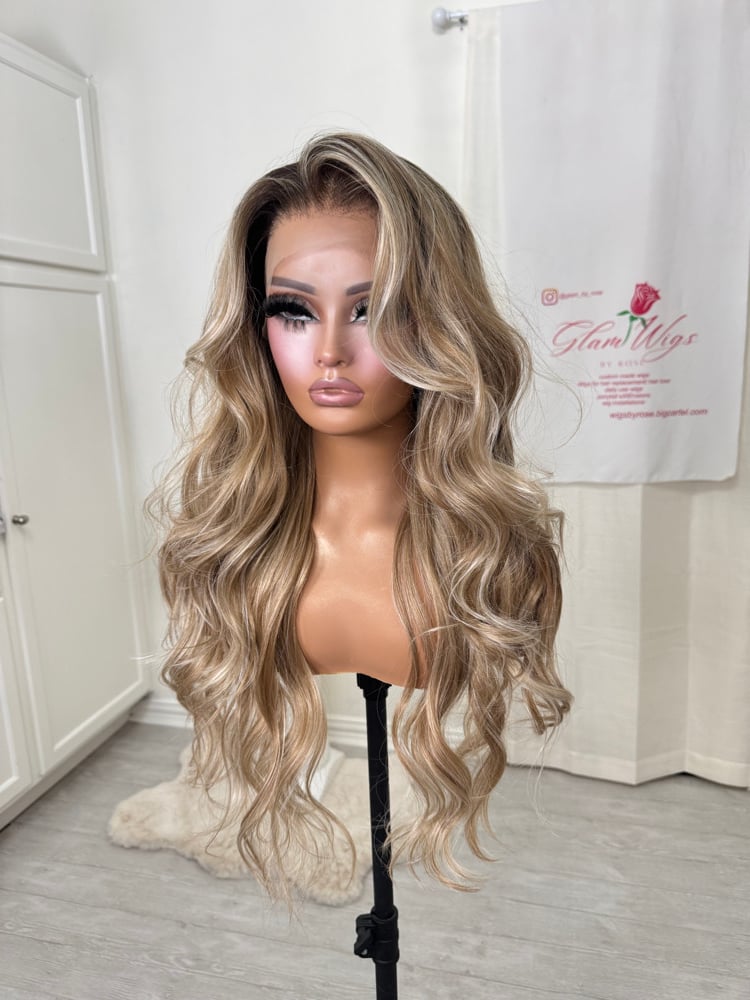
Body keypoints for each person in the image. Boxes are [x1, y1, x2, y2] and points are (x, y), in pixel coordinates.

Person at [146, 132, 572, 901]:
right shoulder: (228, 547)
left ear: (438, 323)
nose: (330, 352)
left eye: (372, 309)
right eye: (293, 311)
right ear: (256, 326)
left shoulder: (494, 551)